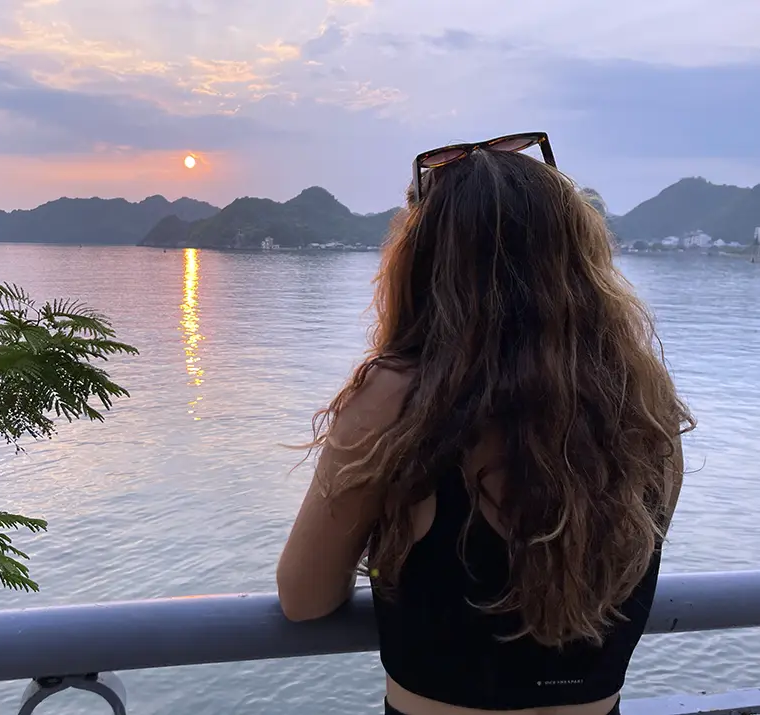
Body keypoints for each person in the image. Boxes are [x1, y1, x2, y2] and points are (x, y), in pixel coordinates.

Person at [276, 133, 693, 715]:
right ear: (579, 257)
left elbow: (304, 599)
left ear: (422, 262)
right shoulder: (645, 405)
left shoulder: (398, 400)